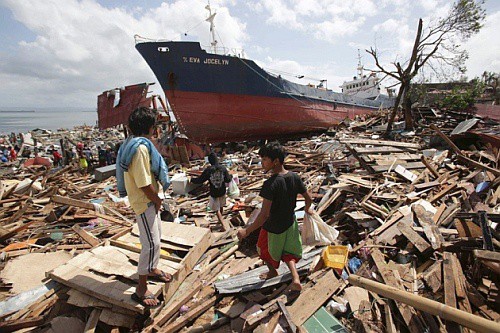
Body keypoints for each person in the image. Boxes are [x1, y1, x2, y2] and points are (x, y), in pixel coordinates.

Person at [237, 142, 313, 292]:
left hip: (273, 226)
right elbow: (308, 197)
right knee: (288, 251)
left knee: (262, 249)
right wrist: (307, 209)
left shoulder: (270, 184)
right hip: (290, 222)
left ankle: (272, 271)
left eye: (265, 159)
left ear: (276, 161)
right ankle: (296, 278)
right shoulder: (294, 177)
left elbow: (264, 215)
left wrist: (247, 231)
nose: (262, 163)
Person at [116, 107, 171, 307]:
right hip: (144, 200)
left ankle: (152, 268)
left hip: (147, 199)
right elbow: (143, 182)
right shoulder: (139, 148)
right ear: (150, 127)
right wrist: (157, 200)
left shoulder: (133, 143)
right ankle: (141, 288)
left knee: (156, 239)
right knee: (150, 243)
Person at [191, 152, 232, 221]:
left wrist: (192, 179)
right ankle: (221, 220)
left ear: (210, 161)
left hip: (214, 192)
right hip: (222, 191)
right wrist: (231, 176)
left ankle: (221, 222)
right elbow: (228, 180)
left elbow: (200, 180)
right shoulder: (223, 168)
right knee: (221, 206)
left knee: (216, 209)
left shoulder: (209, 170)